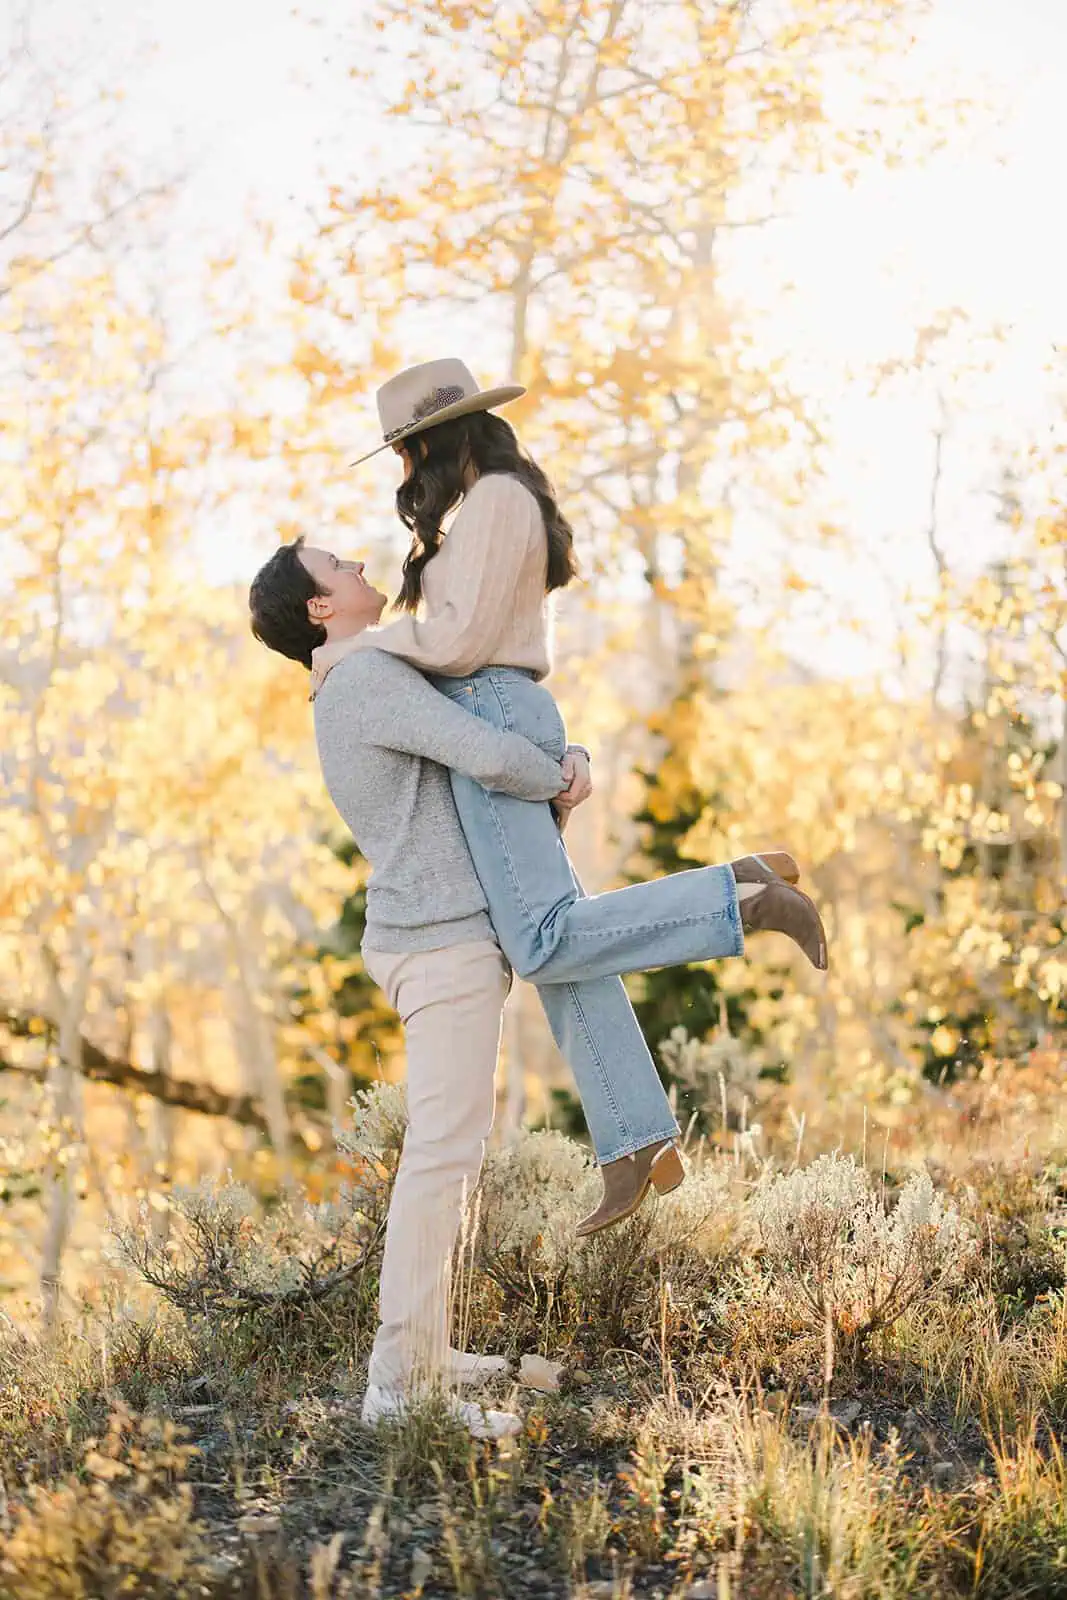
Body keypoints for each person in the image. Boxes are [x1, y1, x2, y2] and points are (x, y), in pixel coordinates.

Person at [310, 357, 828, 1235]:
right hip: (495, 711)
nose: (405, 471)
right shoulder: (486, 508)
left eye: (407, 449)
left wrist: (367, 652)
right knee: (558, 948)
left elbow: (465, 639)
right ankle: (635, 1141)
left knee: (545, 942)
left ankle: (742, 903)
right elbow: (476, 643)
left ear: (436, 440)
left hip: (493, 709)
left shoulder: (499, 502)